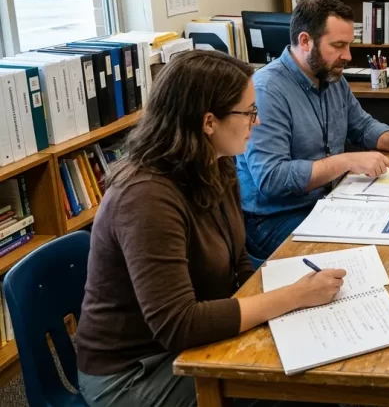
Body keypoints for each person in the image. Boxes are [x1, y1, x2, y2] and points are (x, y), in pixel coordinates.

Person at [76, 51, 348, 407]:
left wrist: (283, 306)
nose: (257, 121)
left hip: (190, 338)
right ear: (209, 122)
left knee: (312, 354)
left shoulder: (216, 163)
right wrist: (293, 297)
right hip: (134, 373)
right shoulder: (145, 197)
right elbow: (179, 325)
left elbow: (238, 261)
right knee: (299, 383)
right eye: (249, 112)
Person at [237, 0, 389, 260]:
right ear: (305, 41)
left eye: (349, 45)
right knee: (364, 256)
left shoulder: (331, 77)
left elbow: (362, 125)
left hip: (329, 201)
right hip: (274, 219)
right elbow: (272, 179)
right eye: (338, 45)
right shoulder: (267, 91)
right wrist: (346, 161)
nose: (348, 56)